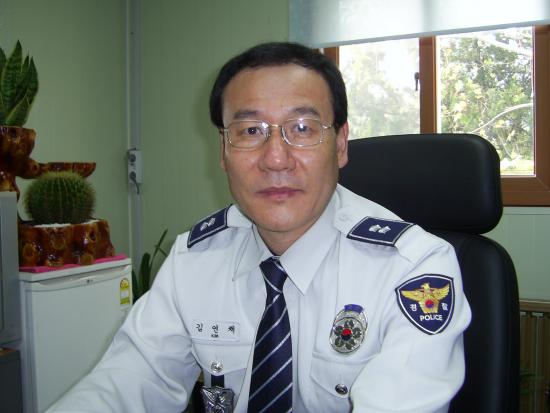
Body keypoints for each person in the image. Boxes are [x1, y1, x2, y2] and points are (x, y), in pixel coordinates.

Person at [49, 42, 471, 413]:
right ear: (223, 150)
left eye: (302, 129)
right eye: (250, 130)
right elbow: (127, 381)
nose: (275, 159)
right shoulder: (195, 259)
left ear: (341, 144)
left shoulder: (413, 269)